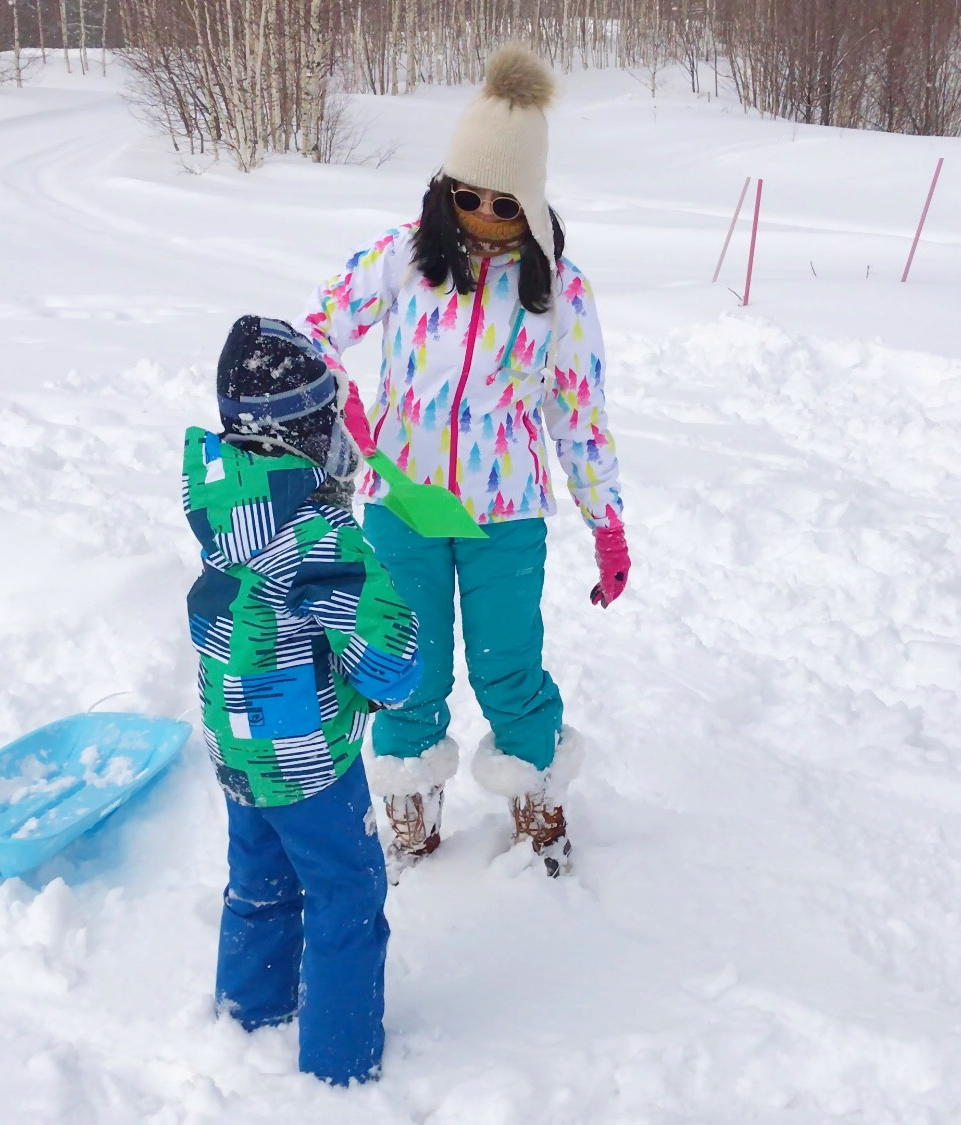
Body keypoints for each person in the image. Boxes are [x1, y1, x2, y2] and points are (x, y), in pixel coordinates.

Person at [300, 44, 629, 878]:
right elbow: (318, 334)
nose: (482, 211)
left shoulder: (559, 292)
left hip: (505, 512)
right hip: (402, 502)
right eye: (466, 193)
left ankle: (535, 791)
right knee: (406, 658)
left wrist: (605, 518)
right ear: (444, 189)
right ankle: (410, 802)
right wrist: (343, 400)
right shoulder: (403, 257)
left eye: (502, 198)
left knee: (507, 663)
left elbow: (578, 413)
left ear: (532, 200)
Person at [182, 315, 423, 1085]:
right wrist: (393, 652)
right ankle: (339, 1058)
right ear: (306, 434)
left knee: (259, 877)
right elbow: (386, 660)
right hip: (309, 754)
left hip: (237, 741)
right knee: (345, 891)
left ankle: (249, 1013)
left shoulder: (226, 503)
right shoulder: (316, 533)